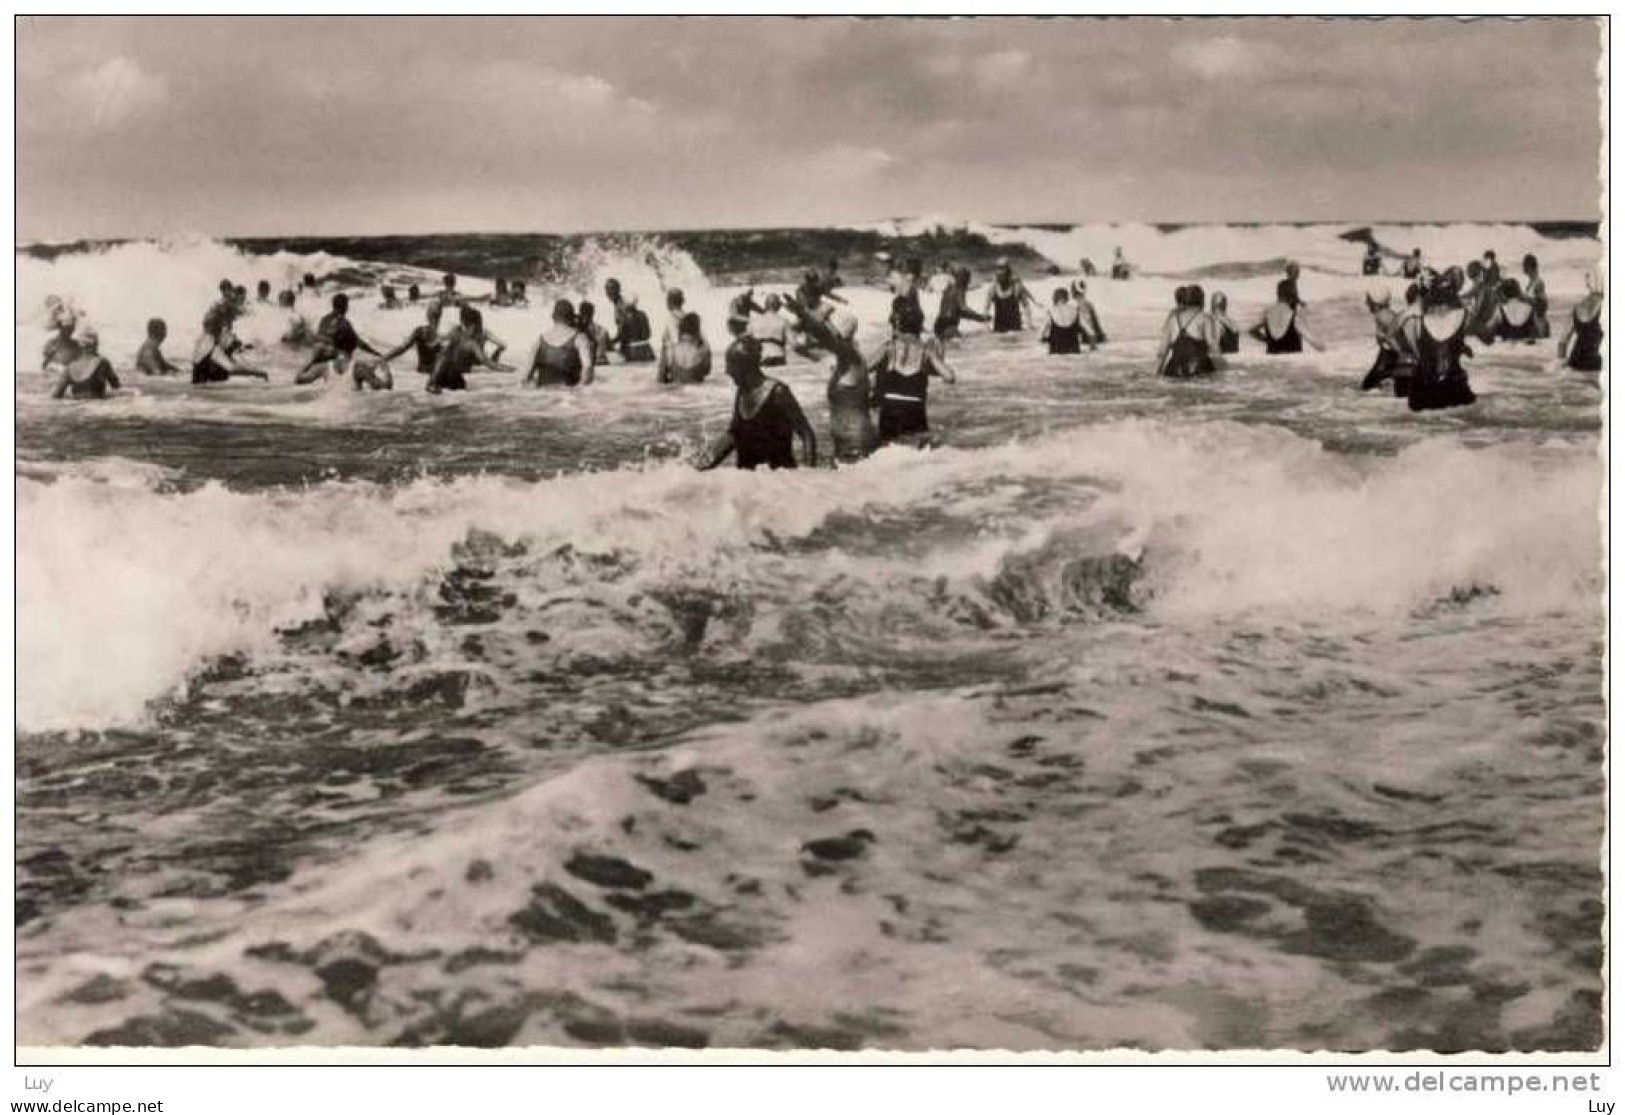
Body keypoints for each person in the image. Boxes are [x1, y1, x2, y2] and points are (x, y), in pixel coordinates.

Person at [697, 336, 818, 470]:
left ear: (746, 367)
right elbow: (734, 433)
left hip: (778, 480)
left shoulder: (778, 392)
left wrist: (809, 473)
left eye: (732, 365)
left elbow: (806, 433)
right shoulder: (742, 391)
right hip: (750, 481)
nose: (728, 371)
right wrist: (705, 462)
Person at [784, 293, 875, 462]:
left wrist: (804, 313)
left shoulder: (851, 358)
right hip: (846, 444)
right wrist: (796, 321)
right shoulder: (838, 359)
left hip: (857, 443)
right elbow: (797, 346)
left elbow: (828, 338)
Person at [871, 296, 957, 447]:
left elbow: (864, 367)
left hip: (890, 405)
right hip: (914, 407)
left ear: (900, 325)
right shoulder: (926, 350)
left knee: (886, 450)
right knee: (916, 453)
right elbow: (949, 377)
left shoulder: (889, 347)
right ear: (919, 327)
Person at [1401, 273, 1477, 412]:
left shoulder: (1413, 320)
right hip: (1454, 391)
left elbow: (1411, 351)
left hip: (1423, 393)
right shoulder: (1464, 316)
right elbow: (1487, 335)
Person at [297, 293, 392, 390]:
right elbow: (358, 342)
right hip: (339, 358)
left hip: (326, 358)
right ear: (345, 306)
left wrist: (313, 359)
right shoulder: (344, 324)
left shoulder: (324, 320)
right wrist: (378, 356)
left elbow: (298, 379)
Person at [428, 306, 508, 393]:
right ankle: (432, 383)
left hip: (454, 374)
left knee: (443, 354)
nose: (478, 328)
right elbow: (487, 362)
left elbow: (486, 361)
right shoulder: (466, 338)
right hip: (455, 373)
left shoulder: (459, 333)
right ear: (473, 325)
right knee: (443, 354)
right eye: (477, 325)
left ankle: (432, 383)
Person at [525, 299, 596, 387]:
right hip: (569, 397)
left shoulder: (540, 341)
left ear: (553, 316)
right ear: (572, 318)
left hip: (544, 395)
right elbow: (588, 369)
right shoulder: (579, 339)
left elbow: (525, 377)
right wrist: (579, 390)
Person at [1155, 285, 1219, 379]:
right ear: (1202, 301)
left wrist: (1156, 372)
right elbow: (1213, 345)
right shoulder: (1205, 318)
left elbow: (1162, 351)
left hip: (1174, 369)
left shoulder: (1172, 320)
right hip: (1198, 368)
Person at [191, 306, 268, 384]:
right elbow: (232, 368)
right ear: (221, 329)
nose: (232, 334)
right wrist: (258, 373)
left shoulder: (204, 342)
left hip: (200, 393)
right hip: (207, 394)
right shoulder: (213, 348)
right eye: (229, 329)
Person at [1359, 290, 1411, 395]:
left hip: (1389, 356)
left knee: (1368, 387)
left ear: (1376, 303)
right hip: (1389, 355)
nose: (1366, 303)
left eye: (1368, 300)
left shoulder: (1382, 316)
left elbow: (1392, 337)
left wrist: (1402, 354)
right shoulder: (1387, 314)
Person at [1250, 280, 1323, 354]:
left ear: (1277, 294)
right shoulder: (1294, 316)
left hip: (1272, 362)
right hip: (1291, 363)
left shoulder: (1267, 313)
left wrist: (1267, 340)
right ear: (1293, 295)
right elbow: (1313, 342)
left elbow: (1252, 331)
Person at [50, 327, 121, 400]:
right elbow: (116, 387)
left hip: (76, 407)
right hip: (98, 407)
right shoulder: (102, 362)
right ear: (96, 344)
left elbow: (56, 395)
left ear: (80, 345)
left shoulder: (69, 367)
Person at [378, 301, 448, 375]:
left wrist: (384, 358)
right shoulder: (444, 337)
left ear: (428, 315)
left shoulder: (421, 332)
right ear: (440, 316)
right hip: (436, 374)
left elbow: (402, 348)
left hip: (422, 372)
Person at [1557, 268, 1604, 373]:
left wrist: (1560, 364)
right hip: (1597, 365)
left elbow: (1562, 342)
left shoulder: (1577, 307)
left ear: (1588, 284)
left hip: (1575, 363)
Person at [933, 266, 987, 341]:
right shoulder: (960, 290)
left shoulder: (948, 289)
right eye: (967, 279)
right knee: (960, 346)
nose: (968, 282)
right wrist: (981, 318)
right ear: (965, 279)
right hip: (949, 325)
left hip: (938, 325)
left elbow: (959, 312)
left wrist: (978, 318)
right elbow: (963, 309)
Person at [983, 261, 1038, 333]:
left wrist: (1029, 324)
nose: (999, 272)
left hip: (1016, 329)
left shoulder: (1016, 287)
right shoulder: (993, 288)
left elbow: (1026, 305)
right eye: (998, 269)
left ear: (1008, 272)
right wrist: (987, 328)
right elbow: (986, 308)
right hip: (999, 329)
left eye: (1002, 269)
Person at [661, 312, 712, 385]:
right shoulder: (704, 351)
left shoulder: (669, 350)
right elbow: (707, 372)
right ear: (698, 330)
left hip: (674, 394)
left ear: (680, 329)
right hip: (698, 393)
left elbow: (661, 379)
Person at [1489, 279, 1541, 344]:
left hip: (1507, 346)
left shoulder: (1500, 309)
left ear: (1504, 294)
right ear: (1519, 292)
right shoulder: (1530, 308)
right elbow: (1539, 334)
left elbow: (1489, 332)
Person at [1041, 288, 1089, 355]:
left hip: (1056, 349)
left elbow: (1043, 331)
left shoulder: (1050, 311)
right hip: (1073, 349)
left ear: (1055, 298)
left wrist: (1043, 339)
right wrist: (1093, 346)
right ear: (1067, 298)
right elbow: (1089, 330)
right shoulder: (1076, 310)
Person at [750, 294, 791, 367]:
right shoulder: (783, 322)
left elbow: (746, 342)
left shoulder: (753, 322)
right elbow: (794, 344)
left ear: (765, 305)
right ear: (778, 306)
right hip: (777, 355)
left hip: (760, 357)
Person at [1070, 279, 1107, 344]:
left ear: (1074, 291)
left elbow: (1087, 323)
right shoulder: (1088, 303)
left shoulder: (1079, 304)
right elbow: (1096, 323)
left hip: (1088, 337)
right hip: (1095, 335)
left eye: (1071, 290)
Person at [1521, 254, 1550, 338]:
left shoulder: (1538, 283)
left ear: (1529, 266)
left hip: (1539, 324)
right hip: (1533, 322)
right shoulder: (1531, 282)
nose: (1523, 268)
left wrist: (1525, 299)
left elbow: (1543, 304)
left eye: (1524, 265)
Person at [577, 301, 613, 365]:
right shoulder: (603, 330)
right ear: (593, 313)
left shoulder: (577, 331)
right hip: (603, 361)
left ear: (580, 313)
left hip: (588, 363)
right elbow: (610, 348)